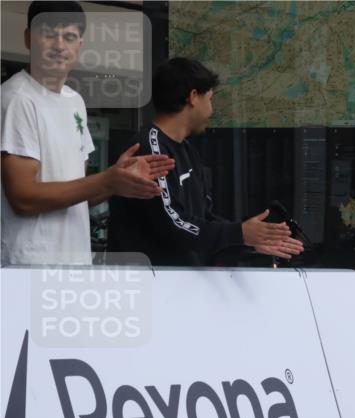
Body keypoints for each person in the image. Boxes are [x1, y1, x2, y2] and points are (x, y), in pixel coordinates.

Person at [1, 1, 175, 266]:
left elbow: (78, 192)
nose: (59, 46)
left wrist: (120, 179)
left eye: (69, 37)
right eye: (48, 34)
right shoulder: (17, 99)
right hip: (28, 267)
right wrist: (106, 180)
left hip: (76, 264)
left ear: (79, 46)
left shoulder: (75, 101)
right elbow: (23, 198)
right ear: (28, 39)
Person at [108, 58, 303, 266]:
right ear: (193, 97)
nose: (212, 110)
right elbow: (174, 223)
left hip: (183, 286)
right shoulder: (150, 149)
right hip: (151, 286)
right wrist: (239, 233)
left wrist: (248, 241)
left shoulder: (187, 150)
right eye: (210, 99)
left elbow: (203, 219)